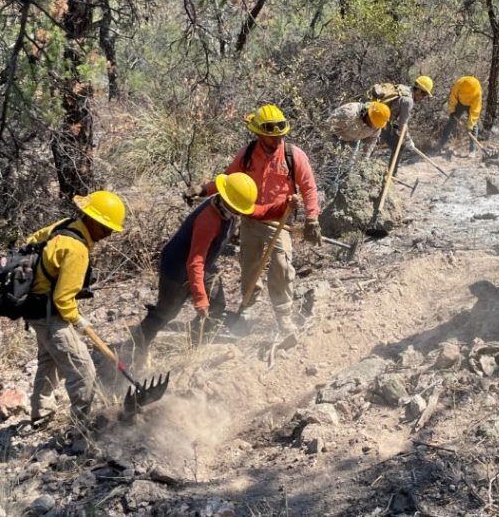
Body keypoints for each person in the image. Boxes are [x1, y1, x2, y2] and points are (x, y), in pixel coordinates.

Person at [184, 104, 320, 333]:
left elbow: (309, 188)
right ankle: (248, 308)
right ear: (258, 134)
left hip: (280, 221)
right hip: (251, 220)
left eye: (279, 136)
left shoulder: (293, 156)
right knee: (249, 267)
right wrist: (201, 190)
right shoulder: (247, 154)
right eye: (270, 137)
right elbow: (228, 180)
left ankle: (284, 316)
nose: (276, 141)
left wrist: (312, 218)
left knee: (281, 266)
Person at [128, 173, 258, 364]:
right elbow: (194, 262)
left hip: (204, 265)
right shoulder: (210, 221)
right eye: (237, 208)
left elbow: (219, 188)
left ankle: (195, 343)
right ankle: (137, 345)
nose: (239, 213)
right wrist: (199, 299)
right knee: (167, 312)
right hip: (176, 267)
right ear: (227, 199)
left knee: (217, 304)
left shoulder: (227, 207)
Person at [25, 191, 126, 426]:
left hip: (33, 306)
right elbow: (63, 299)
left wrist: (43, 275)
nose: (109, 233)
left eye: (111, 228)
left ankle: (41, 413)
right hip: (49, 313)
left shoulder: (67, 225)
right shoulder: (77, 249)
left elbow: (32, 241)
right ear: (91, 219)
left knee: (50, 359)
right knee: (83, 369)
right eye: (105, 227)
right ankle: (82, 426)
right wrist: (80, 322)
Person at [363, 76, 433, 172]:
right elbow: (403, 126)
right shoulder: (408, 101)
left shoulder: (403, 88)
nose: (423, 98)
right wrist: (408, 140)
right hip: (378, 120)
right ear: (419, 91)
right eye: (424, 95)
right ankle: (391, 175)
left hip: (371, 112)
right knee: (399, 146)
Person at [438, 75, 483, 153]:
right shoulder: (459, 83)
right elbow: (453, 97)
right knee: (451, 122)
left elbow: (475, 111)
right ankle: (441, 146)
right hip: (459, 103)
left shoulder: (477, 92)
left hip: (471, 105)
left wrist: (470, 125)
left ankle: (472, 150)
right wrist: (452, 111)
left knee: (474, 127)